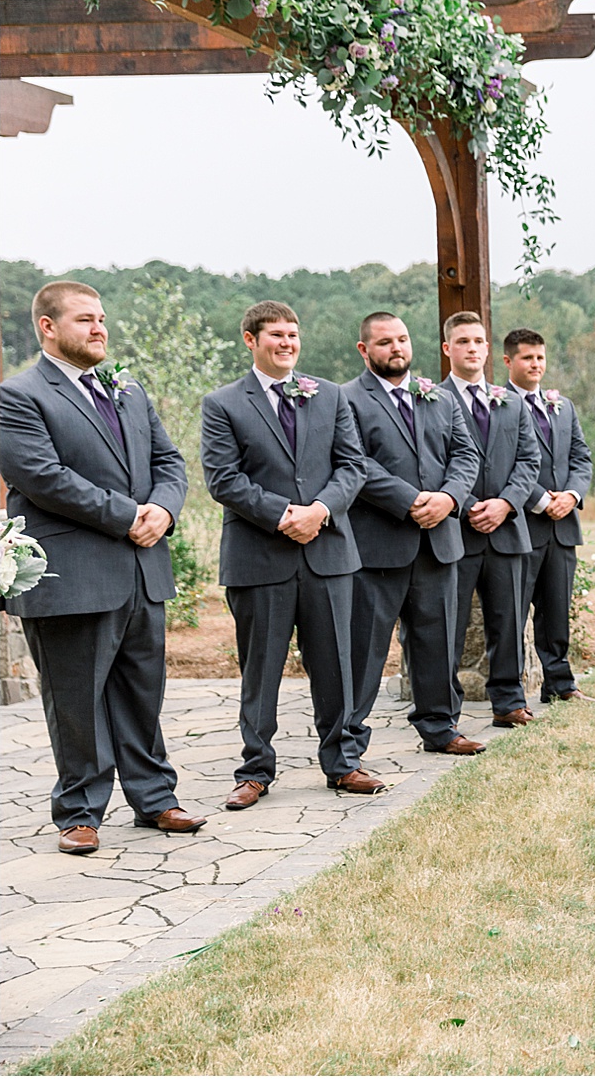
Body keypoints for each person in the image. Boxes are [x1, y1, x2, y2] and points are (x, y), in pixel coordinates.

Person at [1, 281, 206, 854]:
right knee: (75, 699)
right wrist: (127, 514)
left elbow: (169, 459)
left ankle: (156, 799)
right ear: (47, 326)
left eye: (102, 318)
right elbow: (42, 476)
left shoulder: (129, 389)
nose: (100, 328)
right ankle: (79, 811)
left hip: (143, 567)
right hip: (72, 573)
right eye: (86, 319)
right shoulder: (17, 396)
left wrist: (163, 509)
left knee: (143, 692)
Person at [200, 301, 381, 811]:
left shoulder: (331, 396)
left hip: (328, 552)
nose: (287, 343)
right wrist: (286, 516)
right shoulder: (223, 403)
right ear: (250, 340)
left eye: (293, 334)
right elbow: (224, 479)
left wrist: (320, 510)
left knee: (337, 664)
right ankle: (255, 769)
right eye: (276, 334)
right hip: (260, 556)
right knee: (261, 668)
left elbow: (353, 465)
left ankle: (343, 763)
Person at [342, 313, 484, 758]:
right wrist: (409, 500)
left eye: (402, 339)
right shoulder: (346, 400)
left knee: (437, 641)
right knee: (364, 651)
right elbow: (355, 463)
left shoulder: (438, 397)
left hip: (438, 542)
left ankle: (440, 728)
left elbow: (466, 453)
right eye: (384, 342)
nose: (396, 348)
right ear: (365, 350)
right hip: (379, 545)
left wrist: (448, 499)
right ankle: (347, 748)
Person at [440, 312, 542, 728]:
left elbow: (528, 460)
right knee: (449, 626)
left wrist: (504, 504)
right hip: (455, 531)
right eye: (463, 341)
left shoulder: (512, 401)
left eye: (479, 341)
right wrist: (466, 506)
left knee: (508, 621)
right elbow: (434, 463)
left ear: (488, 348)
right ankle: (445, 708)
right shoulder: (433, 400)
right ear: (448, 348)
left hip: (506, 529)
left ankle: (509, 702)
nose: (472, 348)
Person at [504, 328, 595, 705]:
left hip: (563, 527)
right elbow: (501, 464)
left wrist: (572, 496)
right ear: (509, 361)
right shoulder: (498, 407)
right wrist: (542, 500)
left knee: (557, 611)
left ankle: (560, 684)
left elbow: (581, 458)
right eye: (527, 358)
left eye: (540, 357)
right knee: (511, 613)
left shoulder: (564, 406)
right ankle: (511, 695)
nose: (536, 364)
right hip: (521, 526)